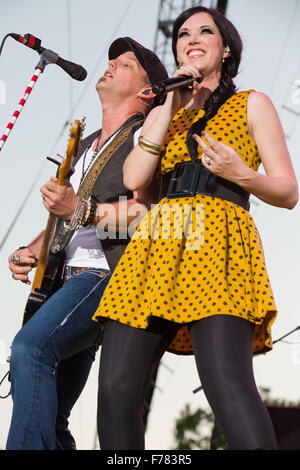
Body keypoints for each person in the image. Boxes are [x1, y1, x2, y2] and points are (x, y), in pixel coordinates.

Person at [93, 7, 298, 450]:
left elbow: (287, 192)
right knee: (114, 389)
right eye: (183, 34)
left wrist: (242, 173)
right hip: (157, 246)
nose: (192, 38)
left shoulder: (252, 103)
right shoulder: (165, 112)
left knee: (226, 383)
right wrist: (168, 103)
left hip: (219, 238)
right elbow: (133, 179)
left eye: (206, 31)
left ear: (226, 49)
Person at [7, 37, 168, 450]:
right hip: (62, 280)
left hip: (104, 274)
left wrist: (81, 209)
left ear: (148, 92)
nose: (111, 63)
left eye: (126, 63)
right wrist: (31, 250)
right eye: (112, 58)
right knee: (54, 415)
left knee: (29, 350)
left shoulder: (143, 138)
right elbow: (66, 216)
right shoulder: (85, 142)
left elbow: (147, 216)